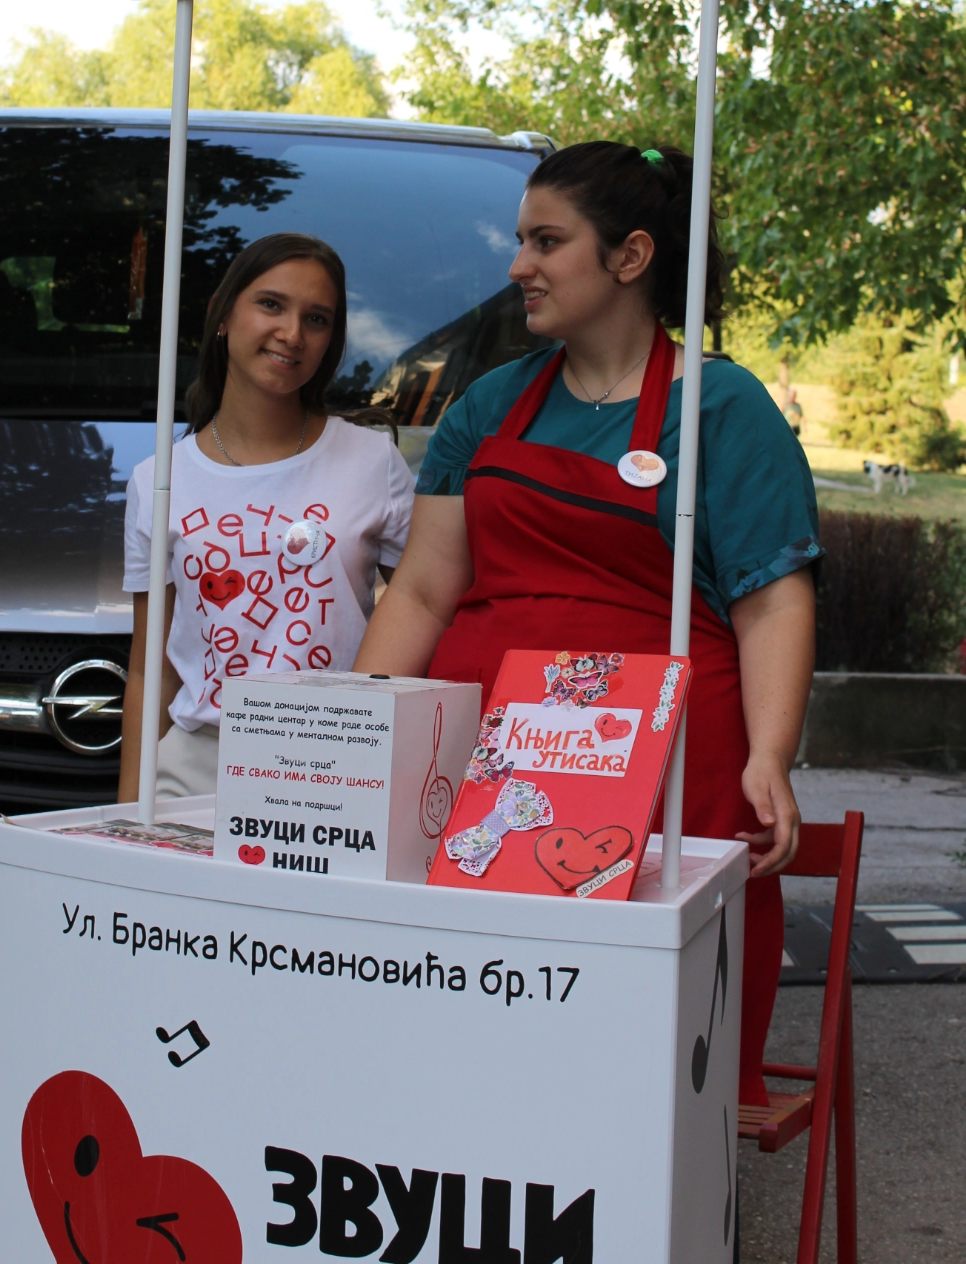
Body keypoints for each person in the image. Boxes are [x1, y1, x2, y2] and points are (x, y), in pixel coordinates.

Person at [353, 142, 819, 1106]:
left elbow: (771, 598)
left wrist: (770, 756)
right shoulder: (488, 405)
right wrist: (356, 731)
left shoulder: (723, 408)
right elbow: (425, 592)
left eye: (547, 241)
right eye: (522, 239)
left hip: (666, 774)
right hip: (487, 777)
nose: (518, 264)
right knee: (463, 1054)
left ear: (631, 256)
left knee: (638, 1076)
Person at [119, 232, 415, 802]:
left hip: (340, 762)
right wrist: (129, 815)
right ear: (223, 315)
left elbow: (426, 612)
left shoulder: (372, 461)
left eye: (318, 318)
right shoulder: (157, 480)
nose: (292, 333)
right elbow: (147, 672)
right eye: (271, 304)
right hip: (196, 766)